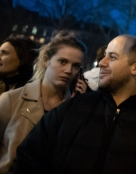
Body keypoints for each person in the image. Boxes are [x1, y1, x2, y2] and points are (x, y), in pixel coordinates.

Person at [10, 34, 136, 174]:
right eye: (104, 56)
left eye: (112, 57)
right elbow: (27, 160)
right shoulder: (72, 109)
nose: (102, 63)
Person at [0, 31, 86, 173]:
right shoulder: (11, 100)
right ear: (46, 60)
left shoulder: (74, 112)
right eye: (62, 61)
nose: (68, 70)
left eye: (76, 65)